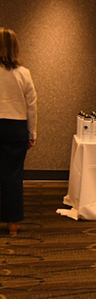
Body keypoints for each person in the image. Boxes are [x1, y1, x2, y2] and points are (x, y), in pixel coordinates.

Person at [0, 28, 37, 237]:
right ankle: (12, 223)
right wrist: (32, 133)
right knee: (12, 176)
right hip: (15, 128)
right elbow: (32, 105)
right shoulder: (23, 73)